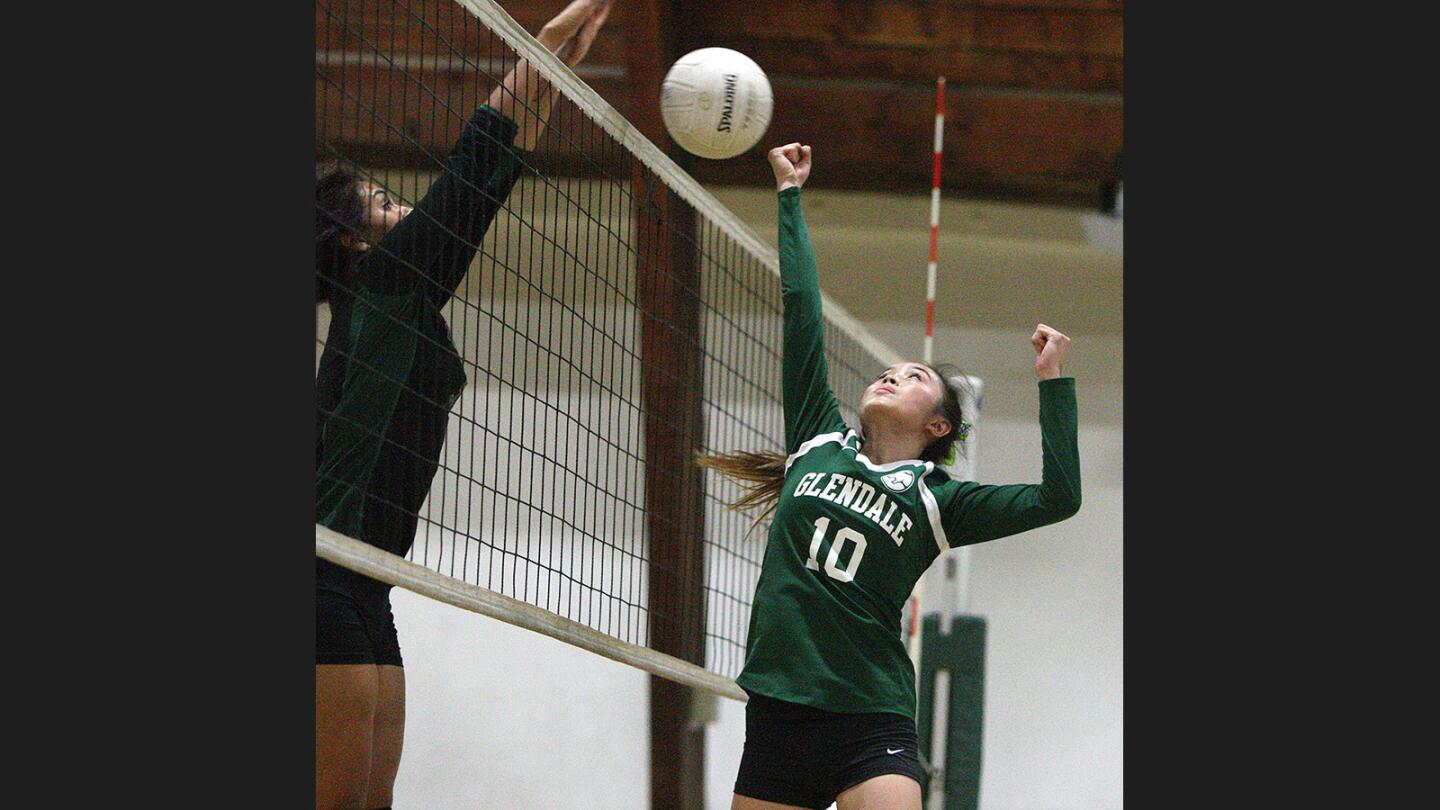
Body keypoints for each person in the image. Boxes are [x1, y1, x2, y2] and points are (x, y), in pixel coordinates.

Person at [699, 143, 1082, 810]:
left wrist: (1053, 384)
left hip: (869, 716)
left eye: (914, 378)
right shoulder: (817, 439)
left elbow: (1059, 498)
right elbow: (800, 308)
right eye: (892, 370)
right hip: (780, 712)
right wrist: (790, 197)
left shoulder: (939, 501)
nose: (892, 374)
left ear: (938, 426)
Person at [313, 2, 612, 808]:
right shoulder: (382, 284)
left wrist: (551, 73)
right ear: (350, 240)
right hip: (323, 575)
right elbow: (472, 176)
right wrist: (541, 49)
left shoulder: (401, 301)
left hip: (369, 579)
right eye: (380, 201)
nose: (401, 206)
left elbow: (489, 179)